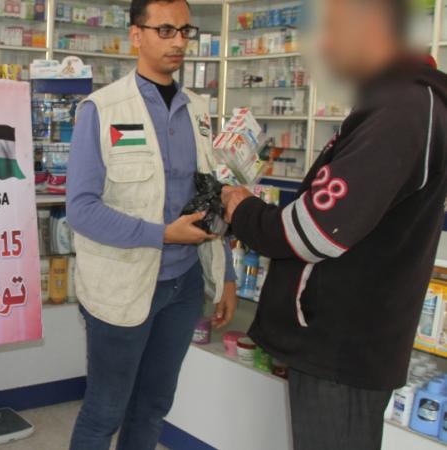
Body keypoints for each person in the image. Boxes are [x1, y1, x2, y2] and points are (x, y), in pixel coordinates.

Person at [221, 0, 447, 448]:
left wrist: (243, 210)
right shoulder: (399, 102)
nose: (324, 45)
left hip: (343, 348)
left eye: (334, 29)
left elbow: (316, 230)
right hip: (348, 343)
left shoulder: (402, 109)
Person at [65, 0, 238, 448]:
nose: (178, 41)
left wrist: (226, 275)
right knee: (105, 411)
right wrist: (160, 234)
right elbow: (81, 209)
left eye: (184, 31)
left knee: (153, 405)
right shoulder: (102, 109)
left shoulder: (197, 109)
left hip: (184, 285)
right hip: (122, 286)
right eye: (165, 30)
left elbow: (210, 193)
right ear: (136, 35)